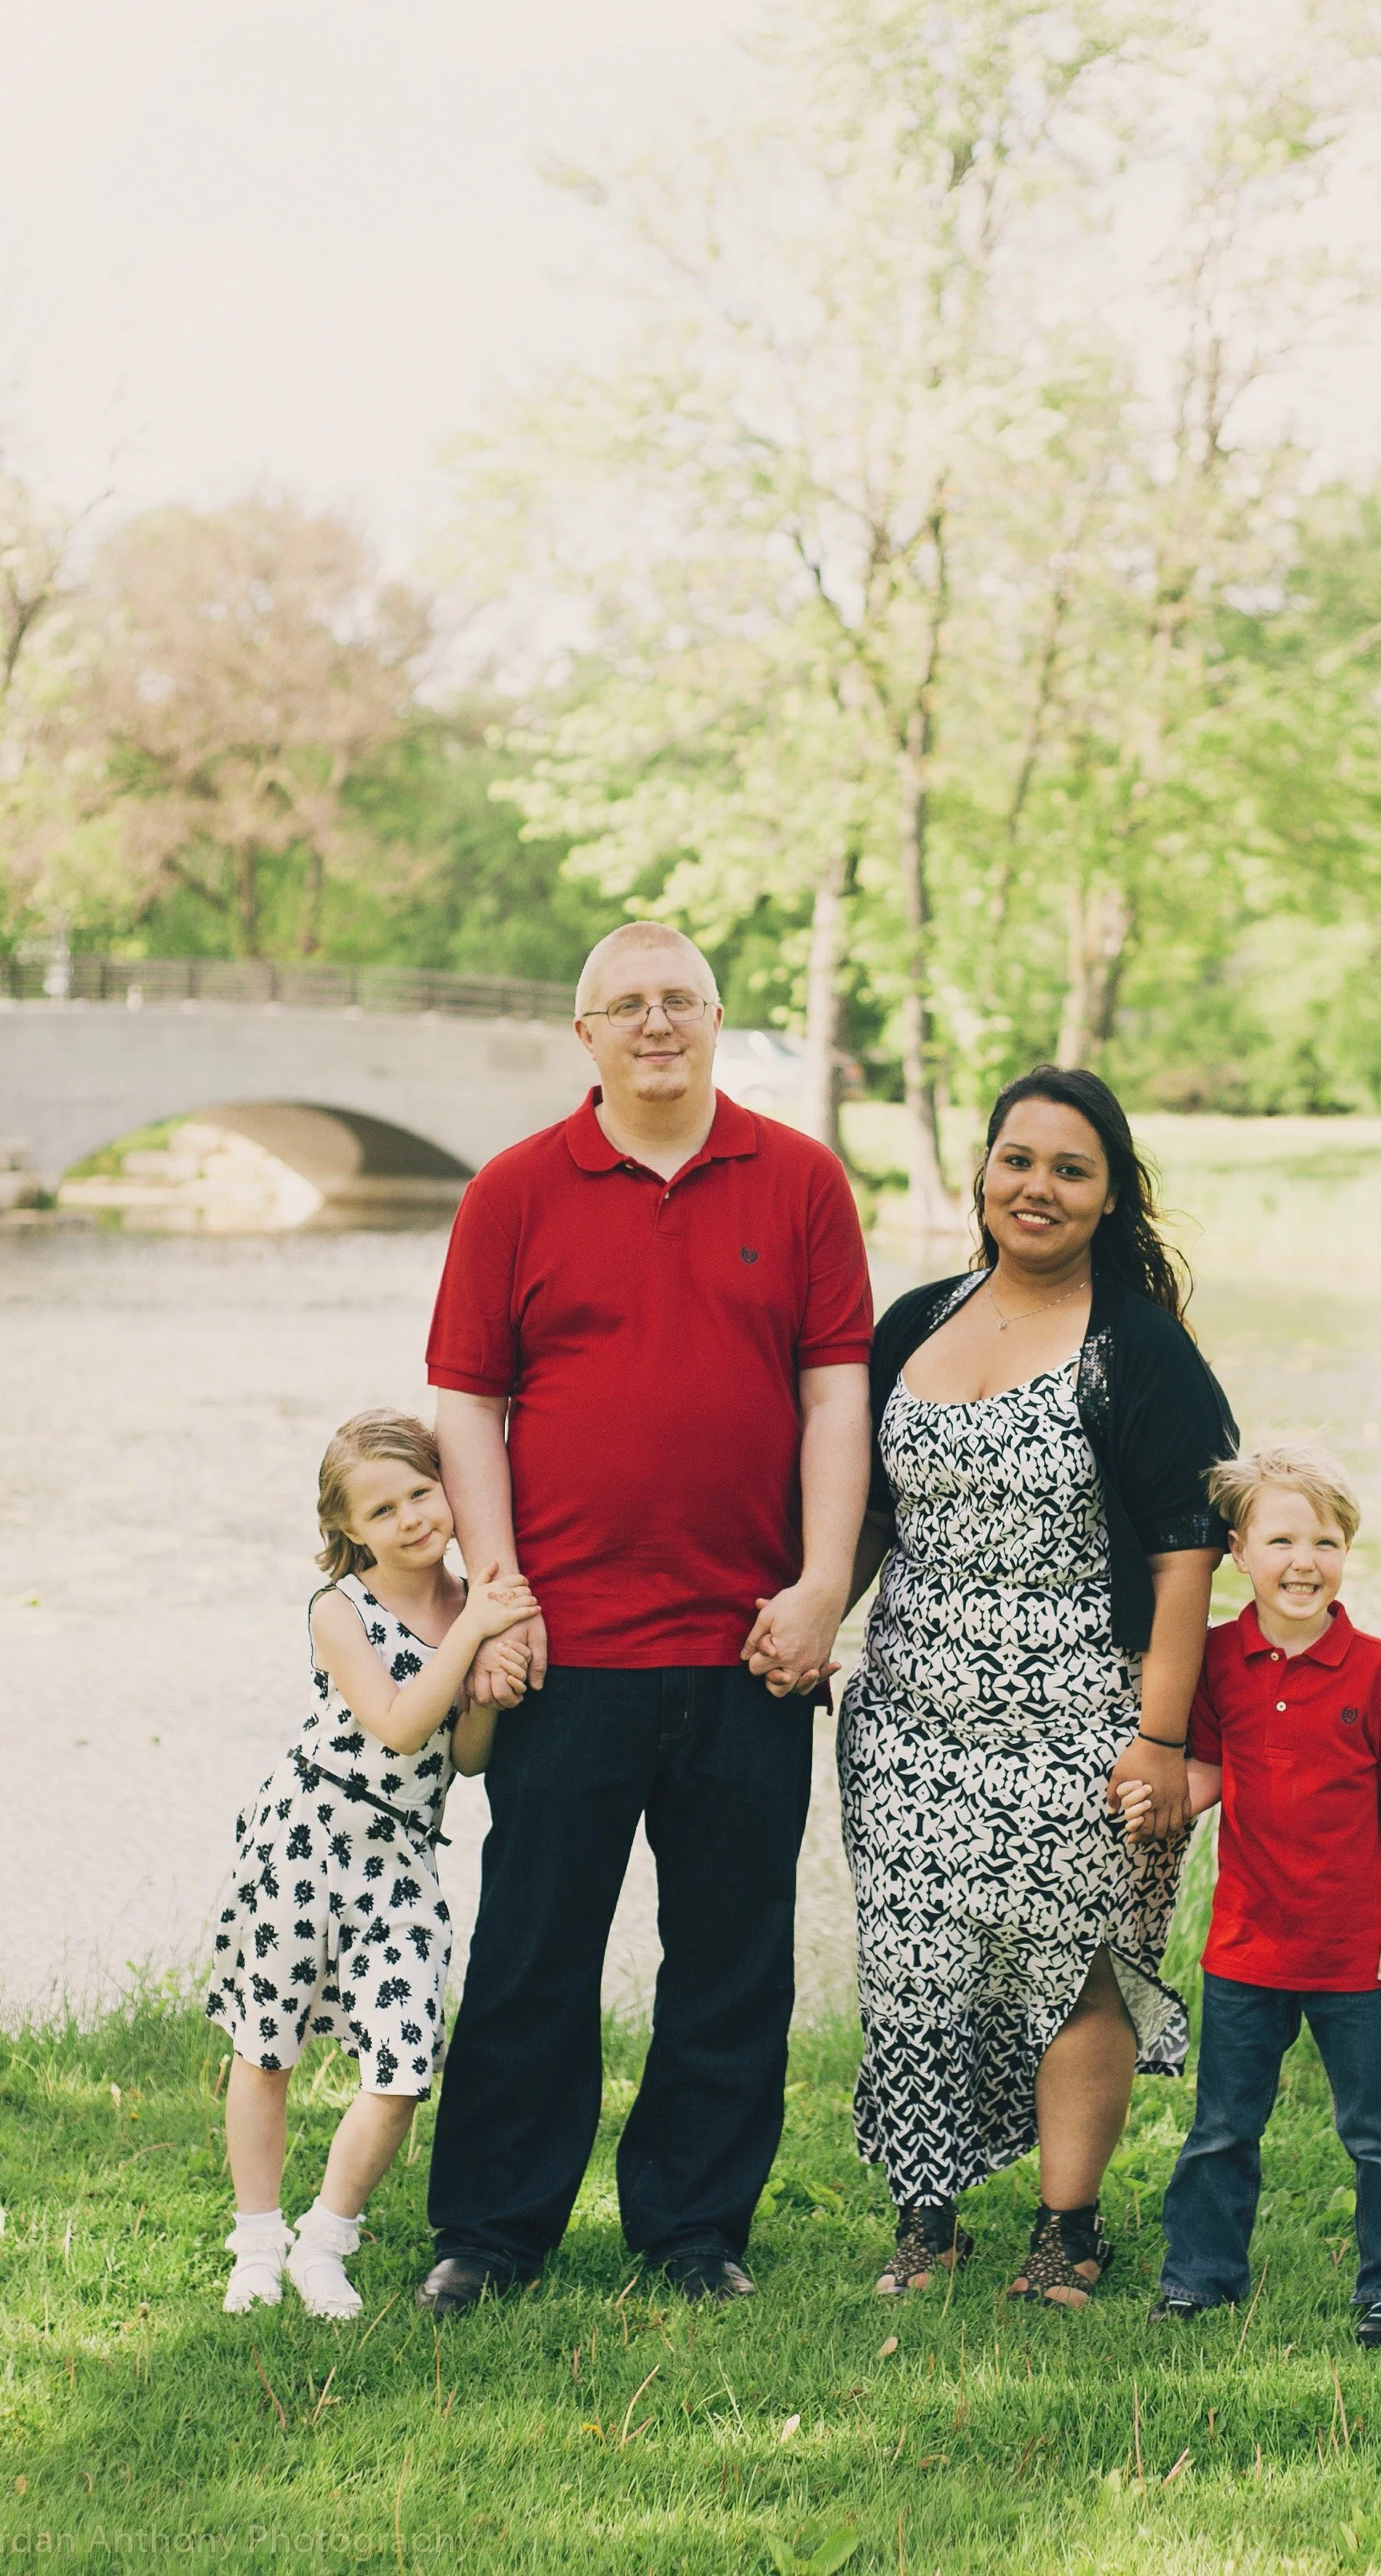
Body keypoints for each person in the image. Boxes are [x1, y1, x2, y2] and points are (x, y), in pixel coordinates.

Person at [416, 921, 873, 2314]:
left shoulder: (798, 1179)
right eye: (627, 1005)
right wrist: (496, 1598)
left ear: (717, 1018)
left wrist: (819, 1590)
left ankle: (692, 2230)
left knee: (731, 1959)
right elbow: (466, 1410)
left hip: (751, 1648)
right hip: (565, 1651)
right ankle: (492, 2235)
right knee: (531, 1953)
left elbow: (836, 1397)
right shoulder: (512, 1191)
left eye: (678, 999)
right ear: (587, 1036)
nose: (655, 1022)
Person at [837, 1066, 1238, 2309]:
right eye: (1020, 1160)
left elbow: (1187, 1559)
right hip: (904, 1717)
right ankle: (926, 2218)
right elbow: (865, 1518)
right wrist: (809, 1624)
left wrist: (1161, 1740)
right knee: (914, 1967)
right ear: (983, 1171)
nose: (1039, 1187)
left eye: (1071, 1169)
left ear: (1110, 1195)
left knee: (1080, 1967)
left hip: (1078, 1724)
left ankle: (1067, 2230)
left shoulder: (1139, 1348)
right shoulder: (911, 1322)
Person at [209, 1412, 538, 2319]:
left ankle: (325, 2243)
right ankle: (256, 2244)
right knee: (265, 2047)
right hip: (303, 1842)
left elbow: (463, 1757)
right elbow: (395, 1722)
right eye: (381, 1508)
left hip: (401, 1860)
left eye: (422, 1494)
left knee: (402, 2059)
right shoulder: (337, 1609)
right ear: (348, 1528)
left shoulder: (471, 1598)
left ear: (451, 1493)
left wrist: (492, 1690)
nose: (409, 1519)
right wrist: (474, 1632)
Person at [1144, 1440, 1381, 2349]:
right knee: (1222, 2127)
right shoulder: (1216, 1660)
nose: (1302, 1562)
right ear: (1238, 1552)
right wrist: (1145, 1806)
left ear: (1344, 1552)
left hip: (1354, 1949)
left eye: (1323, 1541)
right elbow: (1204, 1771)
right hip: (1247, 1945)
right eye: (1279, 1542)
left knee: (1379, 2132)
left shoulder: (1377, 1670)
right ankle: (1200, 2277)